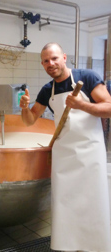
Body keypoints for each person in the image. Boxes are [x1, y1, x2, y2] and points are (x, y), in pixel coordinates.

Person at [20, 42, 111, 252]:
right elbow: (29, 120)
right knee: (65, 204)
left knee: (92, 201)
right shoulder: (47, 90)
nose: (50, 63)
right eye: (45, 61)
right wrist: (24, 108)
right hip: (64, 155)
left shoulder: (86, 78)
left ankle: (96, 246)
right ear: (42, 64)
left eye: (54, 58)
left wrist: (82, 105)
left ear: (64, 57)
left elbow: (108, 107)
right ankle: (68, 246)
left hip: (90, 152)